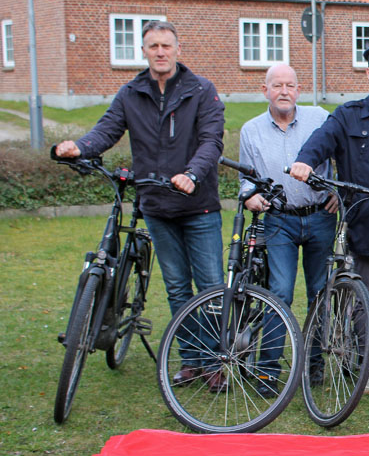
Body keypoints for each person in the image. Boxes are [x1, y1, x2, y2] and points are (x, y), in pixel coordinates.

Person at [54, 20, 226, 391]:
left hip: (199, 207)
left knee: (210, 288)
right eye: (153, 46)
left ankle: (217, 362)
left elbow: (212, 141)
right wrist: (79, 148)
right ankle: (192, 362)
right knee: (178, 288)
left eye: (166, 45)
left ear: (178, 50)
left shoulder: (201, 90)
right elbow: (107, 129)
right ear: (144, 51)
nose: (160, 52)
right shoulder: (130, 92)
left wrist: (193, 174)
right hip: (157, 206)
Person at [289, 44, 369, 395]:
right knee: (367, 300)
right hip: (363, 222)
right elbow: (319, 143)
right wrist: (305, 161)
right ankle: (367, 367)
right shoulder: (346, 116)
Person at [238, 63, 335, 396]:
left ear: (299, 90)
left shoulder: (320, 118)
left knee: (320, 292)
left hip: (320, 216)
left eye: (290, 85)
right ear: (264, 90)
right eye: (276, 85)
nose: (284, 91)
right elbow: (245, 179)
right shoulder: (251, 130)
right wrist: (249, 195)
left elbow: (341, 159)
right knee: (279, 292)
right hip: (279, 219)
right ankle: (268, 370)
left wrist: (338, 192)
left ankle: (313, 365)